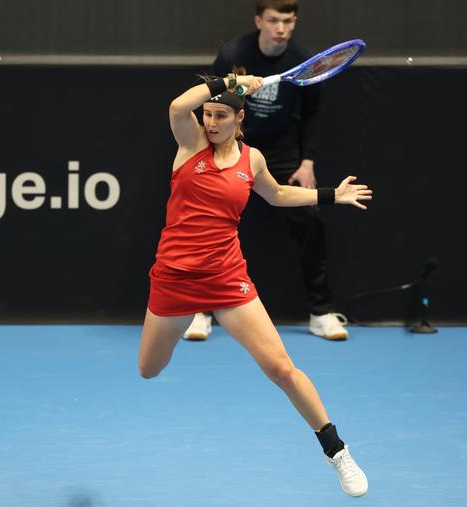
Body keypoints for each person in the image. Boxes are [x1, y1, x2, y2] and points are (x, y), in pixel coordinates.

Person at [139, 71, 370, 496]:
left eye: (220, 115)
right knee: (149, 370)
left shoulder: (253, 160)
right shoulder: (189, 145)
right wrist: (226, 81)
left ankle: (337, 452)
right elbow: (176, 107)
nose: (210, 122)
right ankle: (191, 319)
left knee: (281, 369)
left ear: (239, 118)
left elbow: (278, 195)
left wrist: (330, 195)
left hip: (227, 279)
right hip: (173, 278)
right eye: (207, 114)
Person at [183, 0, 348, 341]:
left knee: (309, 218)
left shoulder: (305, 59)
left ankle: (320, 312)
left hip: (281, 149)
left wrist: (307, 161)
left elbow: (312, 112)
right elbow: (212, 102)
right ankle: (202, 310)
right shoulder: (233, 53)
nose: (281, 28)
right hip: (233, 144)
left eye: (288, 21)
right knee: (207, 222)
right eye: (273, 20)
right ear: (259, 20)